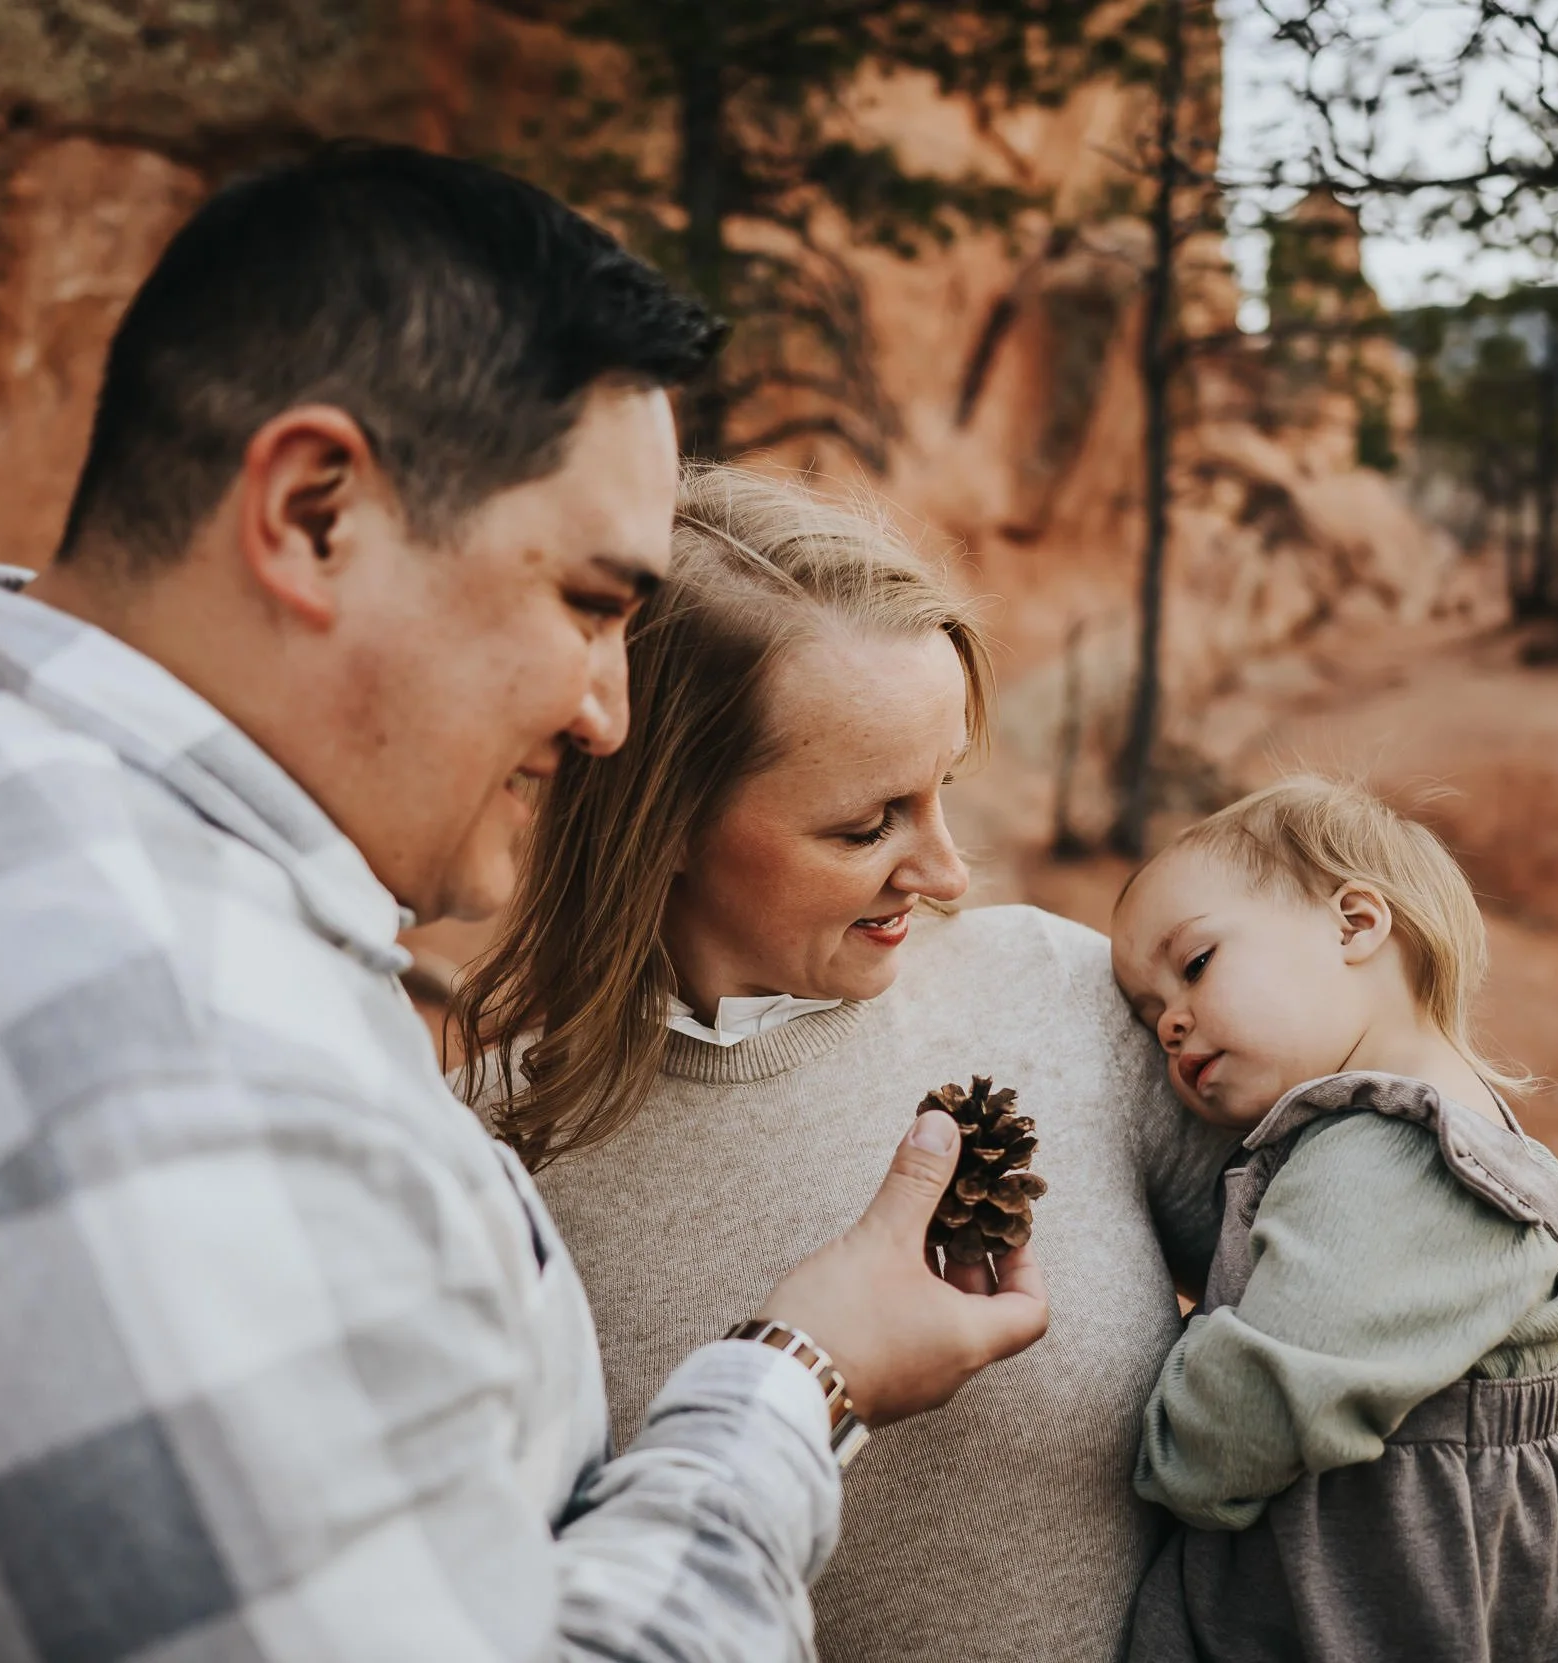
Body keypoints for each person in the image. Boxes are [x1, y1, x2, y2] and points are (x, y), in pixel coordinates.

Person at [0, 143, 1049, 1662]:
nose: (609, 709)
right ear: (315, 512)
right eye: (590, 603)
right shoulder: (166, 1081)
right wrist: (797, 1380)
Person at [456, 465, 1240, 1663]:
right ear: (656, 820)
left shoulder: (1065, 995)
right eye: (866, 824)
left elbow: (1339, 1290)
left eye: (944, 791)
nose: (948, 873)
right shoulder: (486, 1162)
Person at [1108, 776, 1558, 1663]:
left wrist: (1163, 1421)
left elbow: (1235, 1431)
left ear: (1355, 924)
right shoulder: (1433, 1132)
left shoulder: (1394, 1160)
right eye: (1151, 1015)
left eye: (1193, 966)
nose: (1171, 1025)